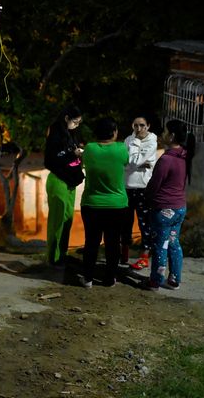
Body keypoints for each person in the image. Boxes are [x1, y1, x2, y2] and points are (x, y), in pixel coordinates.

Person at [144, 120, 196, 291]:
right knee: (173, 243)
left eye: (165, 131)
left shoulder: (166, 159)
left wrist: (147, 200)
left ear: (172, 135)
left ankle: (155, 281)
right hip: (179, 208)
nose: (162, 135)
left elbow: (154, 185)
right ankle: (174, 279)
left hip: (164, 210)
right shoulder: (184, 154)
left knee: (161, 245)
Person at [79, 117, 129, 287]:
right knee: (113, 243)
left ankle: (87, 278)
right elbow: (127, 162)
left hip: (92, 204)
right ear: (114, 133)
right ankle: (109, 278)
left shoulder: (90, 149)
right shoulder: (121, 149)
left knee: (91, 242)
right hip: (116, 205)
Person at [43, 105, 85, 268]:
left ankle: (63, 255)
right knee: (57, 221)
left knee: (67, 219)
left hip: (70, 182)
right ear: (66, 118)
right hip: (59, 181)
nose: (77, 125)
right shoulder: (55, 134)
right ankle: (53, 257)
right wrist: (71, 154)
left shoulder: (71, 134)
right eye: (75, 122)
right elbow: (51, 160)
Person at [122, 116, 158, 269]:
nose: (138, 128)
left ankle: (144, 255)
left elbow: (134, 162)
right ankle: (123, 253)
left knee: (145, 223)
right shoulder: (127, 139)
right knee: (125, 222)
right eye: (135, 125)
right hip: (127, 186)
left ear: (148, 126)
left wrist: (136, 161)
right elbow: (126, 162)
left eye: (142, 125)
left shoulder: (152, 141)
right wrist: (142, 163)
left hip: (143, 187)